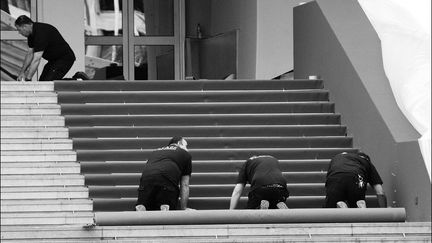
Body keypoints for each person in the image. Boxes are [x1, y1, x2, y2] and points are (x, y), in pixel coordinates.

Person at [135, 137, 192, 211]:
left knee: (145, 206)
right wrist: (183, 208)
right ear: (179, 143)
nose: (187, 148)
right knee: (166, 205)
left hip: (146, 180)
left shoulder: (155, 152)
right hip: (167, 180)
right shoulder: (185, 154)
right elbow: (184, 184)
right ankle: (165, 206)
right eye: (186, 145)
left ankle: (143, 205)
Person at [15, 15, 76, 81]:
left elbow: (36, 59)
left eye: (19, 30)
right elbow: (30, 54)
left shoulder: (40, 33)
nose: (19, 33)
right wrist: (22, 72)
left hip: (65, 59)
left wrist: (28, 79)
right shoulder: (31, 35)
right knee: (42, 83)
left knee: (48, 83)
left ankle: (79, 79)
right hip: (53, 60)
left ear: (25, 26)